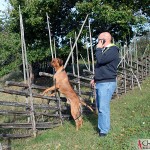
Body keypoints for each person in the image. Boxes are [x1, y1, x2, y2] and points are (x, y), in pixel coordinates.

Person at [90, 32, 120, 137]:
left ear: (104, 40)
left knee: (103, 108)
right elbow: (101, 67)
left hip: (107, 83)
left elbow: (101, 60)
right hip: (101, 82)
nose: (97, 42)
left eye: (99, 40)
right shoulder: (105, 51)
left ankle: (104, 131)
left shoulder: (113, 50)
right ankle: (103, 126)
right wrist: (95, 78)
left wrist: (98, 49)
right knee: (100, 107)